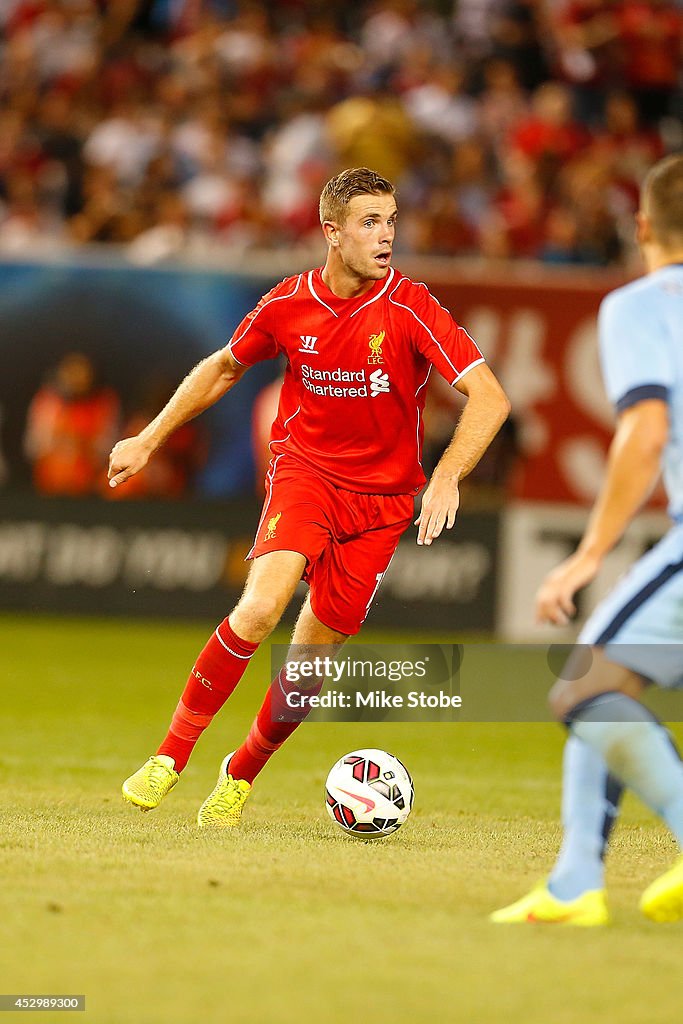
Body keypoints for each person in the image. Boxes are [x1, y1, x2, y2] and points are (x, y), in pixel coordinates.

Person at [109, 166, 510, 829]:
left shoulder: (411, 306)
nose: (386, 237)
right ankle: (170, 757)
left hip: (381, 505)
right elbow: (223, 365)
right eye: (369, 222)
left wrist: (446, 475)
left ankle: (238, 774)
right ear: (331, 231)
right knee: (262, 605)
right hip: (306, 476)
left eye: (390, 221)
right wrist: (148, 438)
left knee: (309, 657)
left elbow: (488, 395)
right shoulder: (288, 303)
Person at [491, 153, 683, 927]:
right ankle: (574, 882)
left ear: (640, 226)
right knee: (610, 687)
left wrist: (588, 553)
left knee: (585, 686)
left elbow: (644, 431)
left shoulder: (642, 304)